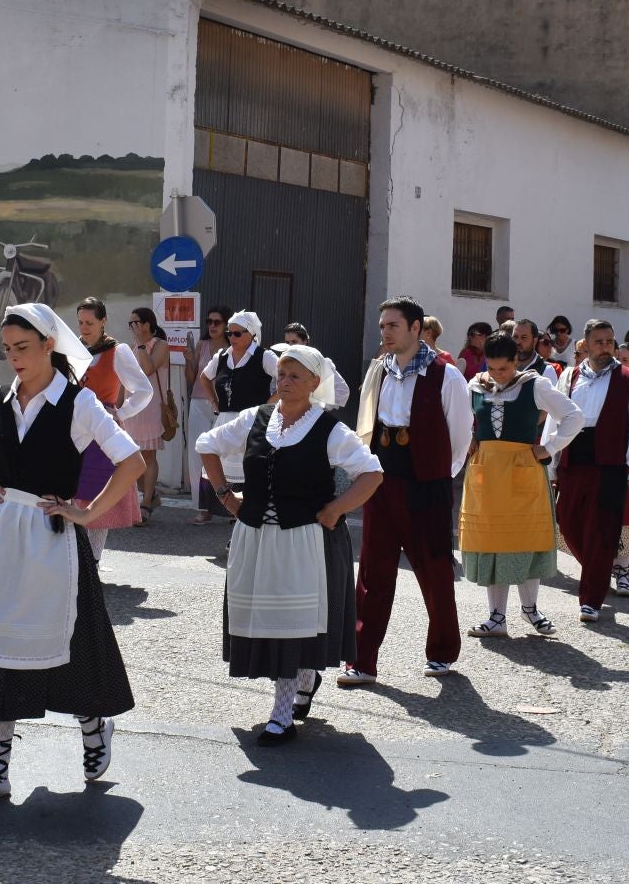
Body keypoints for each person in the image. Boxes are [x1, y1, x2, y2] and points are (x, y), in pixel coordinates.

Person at [0, 304, 145, 809]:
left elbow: (132, 460)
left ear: (48, 346)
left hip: (53, 536)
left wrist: (88, 512)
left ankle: (94, 725)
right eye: (8, 348)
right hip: (1, 537)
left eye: (23, 348)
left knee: (75, 644)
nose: (14, 358)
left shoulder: (79, 403)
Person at [197, 345, 383, 744]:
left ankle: (281, 715)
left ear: (315, 383)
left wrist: (336, 510)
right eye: (281, 374)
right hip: (256, 538)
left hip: (304, 542)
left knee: (289, 626)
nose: (285, 382)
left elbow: (371, 472)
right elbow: (206, 446)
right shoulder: (255, 419)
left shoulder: (329, 429)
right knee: (270, 621)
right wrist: (226, 496)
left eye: (295, 376)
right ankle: (304, 676)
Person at [342, 298, 469, 682]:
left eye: (393, 325)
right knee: (372, 575)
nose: (385, 332)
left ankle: (442, 652)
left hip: (425, 487)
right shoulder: (378, 370)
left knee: (435, 572)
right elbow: (367, 422)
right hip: (382, 482)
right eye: (383, 326)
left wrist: (436, 478)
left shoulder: (447, 376)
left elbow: (461, 437)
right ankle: (362, 661)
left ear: (416, 328)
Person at [462, 333, 582, 637]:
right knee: (493, 544)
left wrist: (549, 447)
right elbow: (457, 418)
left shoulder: (535, 384)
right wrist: (468, 437)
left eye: (503, 369)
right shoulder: (475, 384)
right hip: (487, 475)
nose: (497, 375)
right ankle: (496, 617)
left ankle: (531, 610)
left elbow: (573, 416)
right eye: (492, 368)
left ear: (517, 361)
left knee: (525, 540)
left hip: (522, 470)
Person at [553, 321, 629, 622]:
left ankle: (590, 599)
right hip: (574, 458)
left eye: (609, 341)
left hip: (610, 463)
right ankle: (600, 568)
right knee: (567, 523)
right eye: (599, 342)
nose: (605, 347)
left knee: (603, 530)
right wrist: (552, 461)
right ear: (586, 344)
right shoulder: (570, 376)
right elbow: (557, 420)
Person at [73, 298, 155, 557]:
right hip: (73, 431)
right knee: (73, 492)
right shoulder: (72, 350)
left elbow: (144, 390)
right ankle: (76, 558)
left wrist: (120, 413)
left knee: (98, 492)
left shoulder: (117, 351)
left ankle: (93, 559)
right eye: (81, 322)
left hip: (102, 432)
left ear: (103, 321)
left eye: (90, 322)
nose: (84, 328)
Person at [195, 311, 278, 523]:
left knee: (250, 469)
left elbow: (284, 377)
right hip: (225, 418)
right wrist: (215, 402)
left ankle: (248, 516)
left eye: (237, 334)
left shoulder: (264, 356)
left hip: (254, 422)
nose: (232, 338)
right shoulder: (222, 356)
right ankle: (232, 512)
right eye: (229, 333)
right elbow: (205, 377)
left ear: (251, 334)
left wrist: (268, 405)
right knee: (218, 465)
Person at [124, 308, 173, 518]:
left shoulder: (160, 345)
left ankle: (145, 503)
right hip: (132, 408)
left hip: (151, 407)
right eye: (131, 323)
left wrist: (142, 344)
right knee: (132, 456)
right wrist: (118, 408)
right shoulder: (132, 347)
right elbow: (123, 380)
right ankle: (148, 495)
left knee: (148, 455)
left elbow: (148, 369)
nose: (133, 327)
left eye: (136, 323)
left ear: (146, 324)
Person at [186, 307, 232, 525]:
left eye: (217, 322)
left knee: (225, 456)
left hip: (225, 405)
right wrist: (189, 360)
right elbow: (192, 377)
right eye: (209, 321)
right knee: (198, 455)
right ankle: (203, 507)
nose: (212, 326)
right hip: (198, 402)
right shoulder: (202, 345)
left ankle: (230, 504)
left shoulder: (234, 347)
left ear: (226, 325)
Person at [282, 322, 350, 409]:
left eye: (294, 342)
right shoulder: (283, 364)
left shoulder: (319, 363)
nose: (290, 346)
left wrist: (318, 406)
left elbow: (342, 391)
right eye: (287, 342)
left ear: (305, 341)